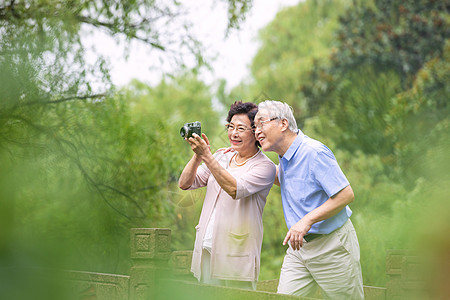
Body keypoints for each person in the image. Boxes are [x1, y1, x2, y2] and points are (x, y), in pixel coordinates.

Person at [254, 100, 364, 299]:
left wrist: (306, 221)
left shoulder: (313, 152)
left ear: (283, 124)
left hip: (332, 247)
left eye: (261, 123)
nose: (257, 131)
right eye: (254, 127)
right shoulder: (285, 156)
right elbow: (293, 180)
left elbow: (346, 195)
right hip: (299, 250)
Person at [178, 101, 276, 290]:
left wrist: (206, 155)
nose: (233, 133)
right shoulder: (221, 156)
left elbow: (235, 189)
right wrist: (198, 156)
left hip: (236, 254)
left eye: (241, 128)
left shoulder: (265, 167)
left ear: (255, 132)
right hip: (206, 248)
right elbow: (185, 183)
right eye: (230, 127)